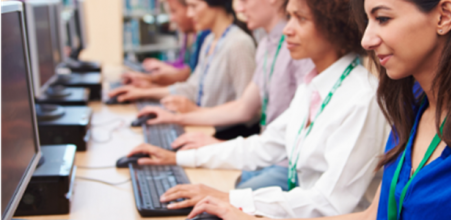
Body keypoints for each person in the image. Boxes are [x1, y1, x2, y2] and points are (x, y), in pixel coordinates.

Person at [184, 0, 451, 219]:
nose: (367, 39)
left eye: (382, 18)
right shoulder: (410, 106)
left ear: (445, 16)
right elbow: (373, 215)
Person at [126, 0, 389, 217]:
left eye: (301, 19)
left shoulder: (361, 98)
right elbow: (263, 146)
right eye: (289, 17)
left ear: (336, 26)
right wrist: (177, 158)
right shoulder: (314, 84)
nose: (288, 29)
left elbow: (330, 203)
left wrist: (230, 198)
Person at [135, 0, 315, 191]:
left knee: (219, 193)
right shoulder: (266, 45)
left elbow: (253, 118)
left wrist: (218, 145)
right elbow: (243, 106)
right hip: (267, 152)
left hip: (284, 161)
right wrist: (176, 118)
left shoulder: (299, 49)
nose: (239, 8)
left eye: (245, 1)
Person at [109, 0, 256, 110]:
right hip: (206, 126)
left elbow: (248, 110)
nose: (190, 14)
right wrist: (143, 92)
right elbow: (192, 88)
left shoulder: (238, 44)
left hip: (226, 137)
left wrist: (195, 113)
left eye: (194, 6)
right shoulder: (210, 40)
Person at [122, 0, 210, 88]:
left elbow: (190, 75)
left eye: (174, 11)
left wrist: (152, 81)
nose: (171, 18)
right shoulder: (190, 35)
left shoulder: (205, 36)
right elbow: (187, 69)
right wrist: (164, 67)